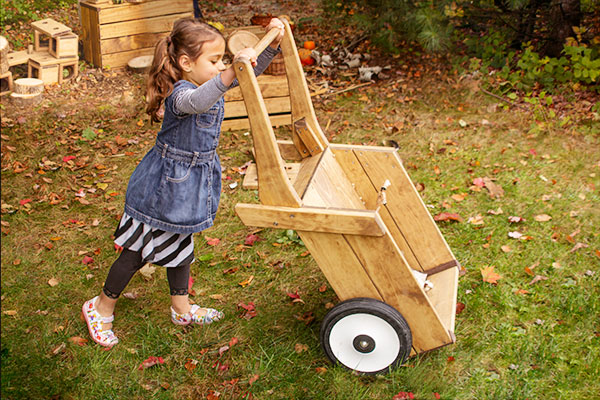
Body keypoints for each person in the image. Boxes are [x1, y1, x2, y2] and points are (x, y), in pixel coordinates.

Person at [82, 17, 286, 347]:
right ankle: (100, 306)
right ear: (186, 63)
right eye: (214, 60)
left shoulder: (211, 80)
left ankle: (181, 308)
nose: (221, 66)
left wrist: (272, 42)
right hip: (162, 189)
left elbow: (245, 73)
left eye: (223, 60)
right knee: (135, 254)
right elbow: (198, 101)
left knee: (181, 247)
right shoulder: (181, 94)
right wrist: (232, 69)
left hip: (189, 186)